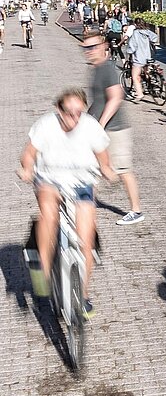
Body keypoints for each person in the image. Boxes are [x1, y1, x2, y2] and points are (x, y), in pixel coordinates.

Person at [17, 87, 116, 316]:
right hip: (49, 179)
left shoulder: (90, 126)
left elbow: (102, 156)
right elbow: (29, 153)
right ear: (58, 110)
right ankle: (43, 271)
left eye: (78, 112)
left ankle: (82, 294)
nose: (74, 118)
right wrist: (27, 168)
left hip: (81, 181)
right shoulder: (46, 125)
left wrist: (107, 170)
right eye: (69, 112)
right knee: (49, 216)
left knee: (86, 236)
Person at [83, 30, 144, 225]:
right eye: (86, 48)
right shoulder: (97, 68)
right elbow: (100, 100)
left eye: (93, 47)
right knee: (91, 167)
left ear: (103, 47)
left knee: (124, 170)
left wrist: (100, 125)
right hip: (101, 129)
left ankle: (136, 210)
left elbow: (116, 97)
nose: (89, 51)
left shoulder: (107, 68)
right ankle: (86, 204)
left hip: (115, 129)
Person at [126, 18, 158, 102]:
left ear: (135, 25)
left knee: (135, 76)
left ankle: (140, 94)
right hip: (149, 56)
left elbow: (133, 46)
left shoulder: (135, 33)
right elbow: (155, 38)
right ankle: (152, 84)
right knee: (147, 72)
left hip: (139, 57)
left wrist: (129, 51)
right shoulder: (147, 32)